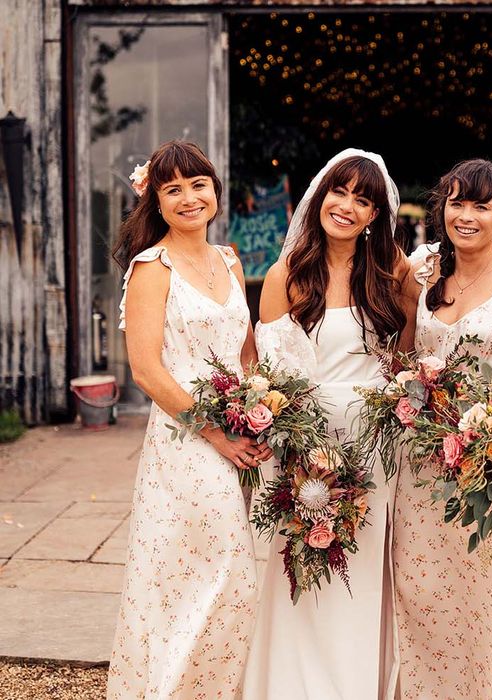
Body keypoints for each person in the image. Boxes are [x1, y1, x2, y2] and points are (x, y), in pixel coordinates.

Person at [242, 149, 410, 700]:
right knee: (297, 575)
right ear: (320, 196)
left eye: (363, 200)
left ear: (375, 217)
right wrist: (292, 444)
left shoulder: (394, 275)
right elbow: (265, 374)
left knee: (356, 581)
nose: (347, 206)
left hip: (371, 450)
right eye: (340, 192)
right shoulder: (284, 275)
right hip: (300, 447)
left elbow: (407, 358)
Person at [107, 141, 270, 698]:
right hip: (187, 441)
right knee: (218, 570)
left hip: (239, 435)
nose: (188, 197)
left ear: (214, 191)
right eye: (172, 188)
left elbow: (244, 352)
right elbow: (147, 372)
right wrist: (216, 435)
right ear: (155, 199)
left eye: (197, 184)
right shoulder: (152, 267)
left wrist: (264, 407)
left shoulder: (229, 259)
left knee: (218, 577)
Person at [393, 159, 492, 700]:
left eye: (480, 205)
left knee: (477, 589)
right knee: (417, 586)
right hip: (418, 459)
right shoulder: (422, 271)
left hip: (481, 456)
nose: (466, 216)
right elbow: (402, 354)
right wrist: (407, 399)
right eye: (456, 203)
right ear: (441, 207)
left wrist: (478, 417)